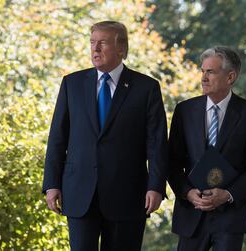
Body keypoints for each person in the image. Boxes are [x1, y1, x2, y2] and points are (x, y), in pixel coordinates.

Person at [42, 20, 168, 251]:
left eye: (102, 43)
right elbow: (58, 137)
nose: (95, 49)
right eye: (92, 43)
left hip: (128, 195)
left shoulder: (146, 88)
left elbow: (157, 143)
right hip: (79, 191)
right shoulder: (72, 84)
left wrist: (156, 186)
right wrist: (51, 183)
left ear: (121, 48)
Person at [168, 46, 246, 251]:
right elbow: (171, 161)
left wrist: (228, 194)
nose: (203, 78)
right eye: (202, 71)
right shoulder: (184, 110)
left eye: (210, 72)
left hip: (230, 217)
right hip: (191, 213)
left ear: (230, 76)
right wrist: (187, 192)